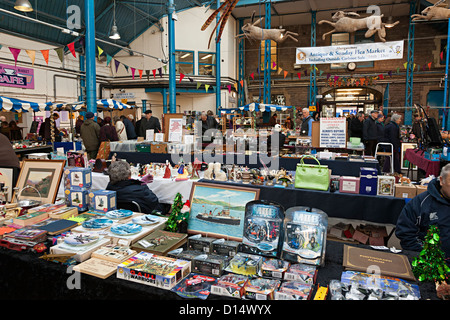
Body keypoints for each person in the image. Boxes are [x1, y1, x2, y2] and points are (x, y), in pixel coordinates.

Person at [395, 164, 450, 259]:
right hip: (430, 264)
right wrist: (426, 257)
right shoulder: (421, 203)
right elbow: (405, 233)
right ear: (441, 181)